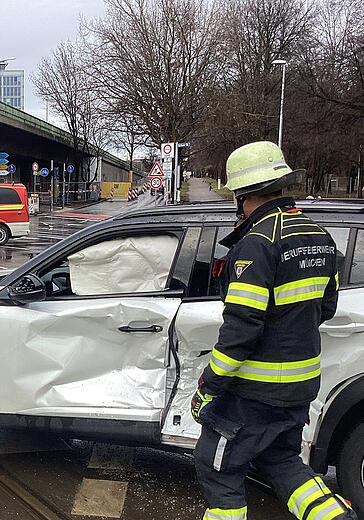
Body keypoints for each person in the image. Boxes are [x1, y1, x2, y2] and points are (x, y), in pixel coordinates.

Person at [190, 141, 357, 520]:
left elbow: (241, 328)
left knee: (217, 467)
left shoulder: (258, 243)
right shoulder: (319, 236)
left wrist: (210, 384)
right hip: (301, 385)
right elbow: (325, 307)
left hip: (254, 392)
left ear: (240, 194)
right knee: (280, 458)